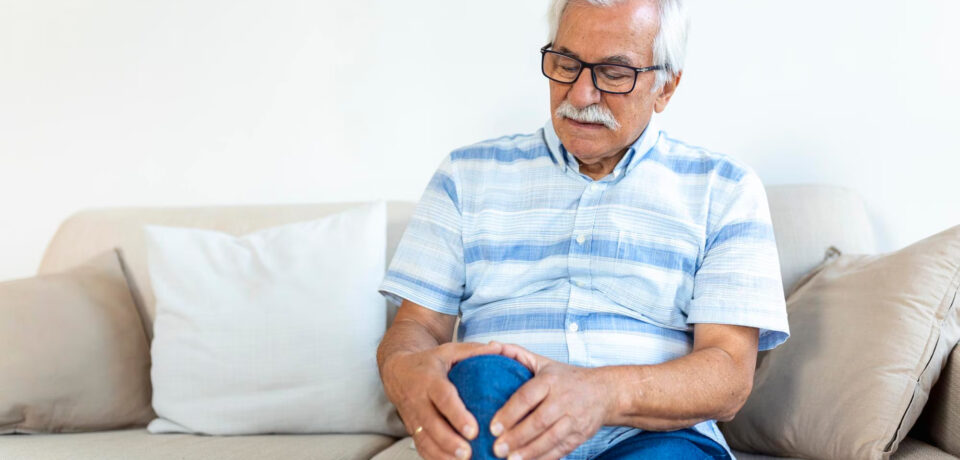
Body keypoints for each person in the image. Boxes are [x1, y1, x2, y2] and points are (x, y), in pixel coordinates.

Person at [375, 0, 790, 459]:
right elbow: (415, 327)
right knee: (481, 378)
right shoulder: (465, 174)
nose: (579, 95)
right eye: (566, 64)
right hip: (505, 416)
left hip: (654, 437)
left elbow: (729, 375)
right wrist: (405, 373)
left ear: (665, 87)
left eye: (613, 74)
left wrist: (601, 393)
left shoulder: (725, 189)